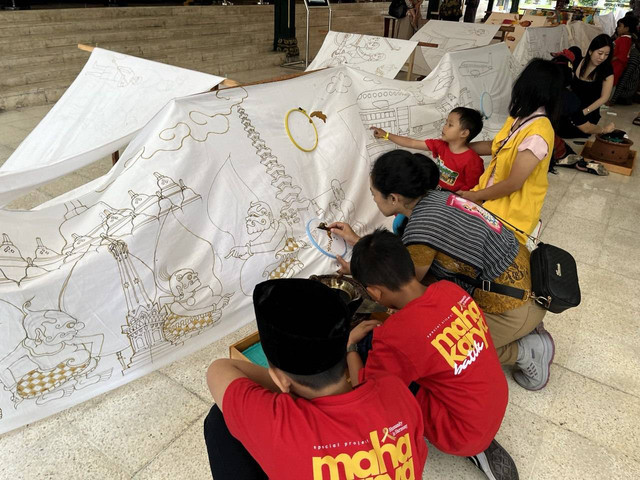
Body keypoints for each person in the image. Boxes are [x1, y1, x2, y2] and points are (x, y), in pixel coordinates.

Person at [329, 151, 554, 392]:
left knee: (440, 347)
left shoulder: (421, 232)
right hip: (533, 282)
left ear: (393, 198)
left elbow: (401, 284)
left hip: (516, 305)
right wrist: (356, 240)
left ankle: (526, 350)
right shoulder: (440, 196)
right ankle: (519, 329)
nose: (372, 199)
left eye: (373, 194)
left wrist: (356, 269)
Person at [203, 278, 428, 480]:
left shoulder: (280, 426)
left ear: (282, 380)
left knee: (218, 421)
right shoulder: (394, 389)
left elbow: (219, 369)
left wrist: (285, 388)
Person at [346, 229, 517, 480]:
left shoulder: (394, 335)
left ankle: (471, 446)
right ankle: (478, 438)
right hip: (495, 400)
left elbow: (369, 393)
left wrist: (350, 346)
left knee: (367, 354)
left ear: (375, 293)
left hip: (459, 433)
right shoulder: (450, 290)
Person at [457, 59, 563, 245]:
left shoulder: (538, 133)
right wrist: (460, 147)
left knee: (460, 239)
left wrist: (475, 197)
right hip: (487, 193)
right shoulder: (520, 116)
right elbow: (497, 146)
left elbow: (513, 183)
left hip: (511, 211)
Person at [371, 107, 484, 192]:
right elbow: (412, 143)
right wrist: (386, 135)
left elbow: (472, 190)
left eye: (450, 125)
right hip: (434, 193)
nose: (444, 127)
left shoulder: (473, 161)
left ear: (464, 133)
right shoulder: (440, 145)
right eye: (446, 123)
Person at [570, 34, 614, 131]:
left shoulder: (607, 70)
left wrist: (585, 112)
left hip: (588, 112)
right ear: (590, 51)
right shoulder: (578, 62)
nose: (602, 58)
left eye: (606, 55)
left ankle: (604, 130)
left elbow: (604, 97)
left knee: (579, 127)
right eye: (600, 53)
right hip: (572, 108)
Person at [611, 16, 638, 85]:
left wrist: (610, 59)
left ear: (626, 29)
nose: (617, 28)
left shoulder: (625, 40)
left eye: (620, 26)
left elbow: (622, 56)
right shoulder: (623, 39)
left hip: (615, 68)